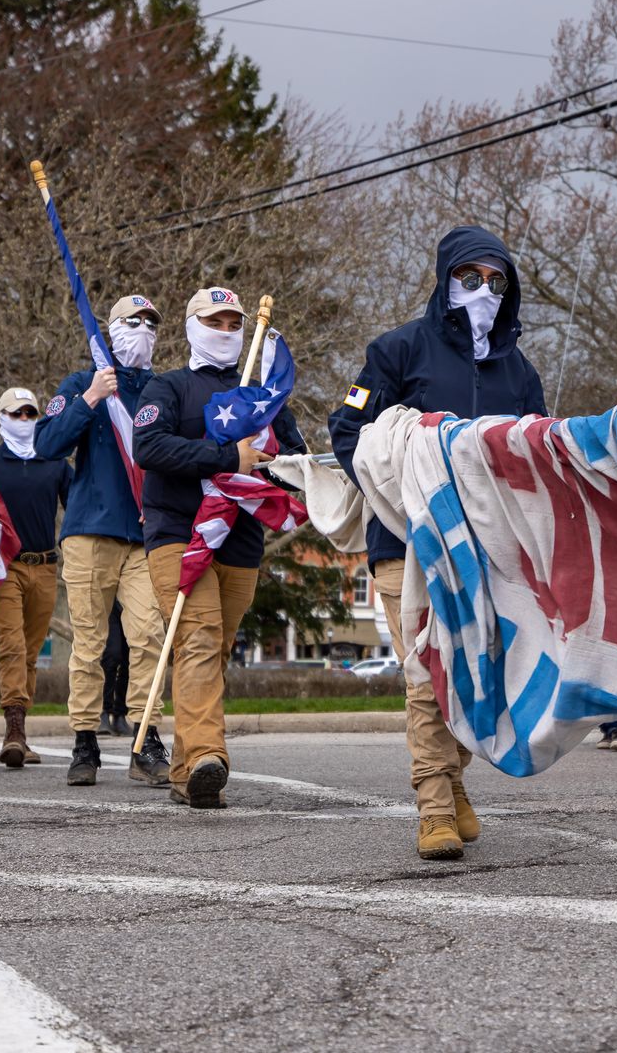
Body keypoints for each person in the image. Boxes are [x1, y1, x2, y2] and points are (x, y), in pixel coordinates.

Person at [329, 226, 548, 859]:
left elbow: (536, 455)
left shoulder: (520, 372)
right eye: (471, 278)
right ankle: (434, 806)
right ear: (446, 279)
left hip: (488, 550)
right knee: (428, 675)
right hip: (407, 544)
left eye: (496, 280)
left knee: (481, 674)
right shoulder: (397, 351)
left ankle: (454, 780)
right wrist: (399, 494)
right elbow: (350, 430)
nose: (484, 290)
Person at [133, 287, 305, 808]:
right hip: (177, 534)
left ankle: (188, 771)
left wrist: (270, 460)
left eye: (235, 324)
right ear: (191, 326)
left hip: (241, 540)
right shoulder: (167, 388)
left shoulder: (261, 397)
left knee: (210, 649)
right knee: (200, 637)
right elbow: (149, 447)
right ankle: (210, 754)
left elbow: (295, 461)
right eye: (216, 321)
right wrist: (227, 454)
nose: (227, 332)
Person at [36, 294, 171, 787]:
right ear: (110, 330)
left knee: (148, 639)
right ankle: (85, 741)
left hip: (144, 534)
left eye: (151, 323)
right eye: (132, 321)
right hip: (90, 532)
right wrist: (91, 398)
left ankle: (145, 738)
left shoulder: (162, 389)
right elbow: (46, 445)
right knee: (90, 644)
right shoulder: (82, 384)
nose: (143, 330)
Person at [0, 386, 71, 769]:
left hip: (45, 566)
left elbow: (76, 502)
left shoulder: (54, 459)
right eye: (16, 414)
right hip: (5, 566)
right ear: (0, 418)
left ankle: (20, 731)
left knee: (29, 652)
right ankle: (14, 732)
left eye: (30, 413)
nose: (24, 420)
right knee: (11, 645)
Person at [99, 601, 129, 736]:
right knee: (112, 656)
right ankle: (104, 711)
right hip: (110, 603)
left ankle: (120, 714)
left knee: (129, 659)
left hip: (130, 602)